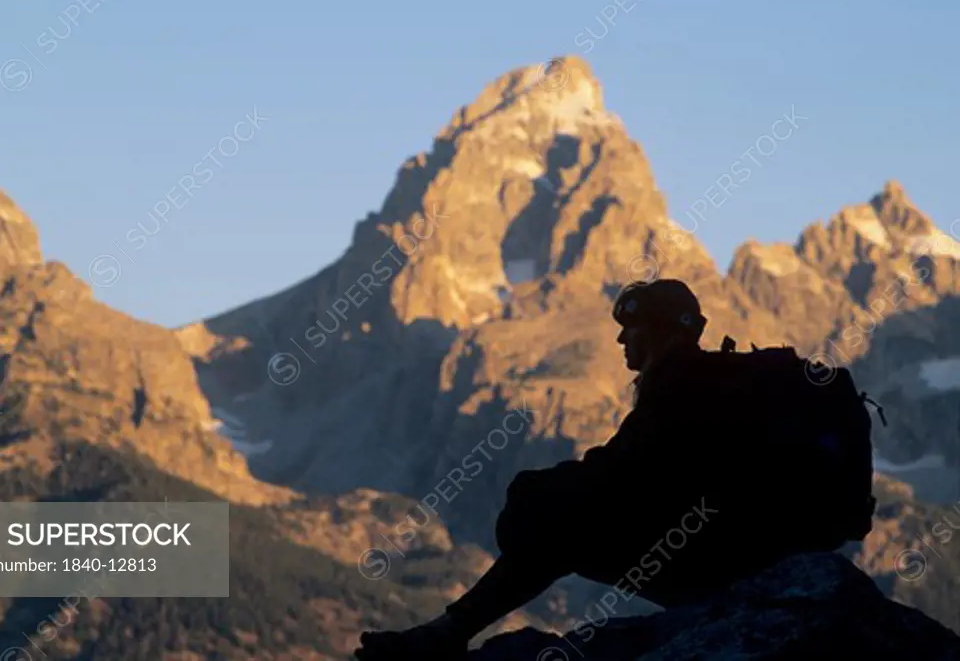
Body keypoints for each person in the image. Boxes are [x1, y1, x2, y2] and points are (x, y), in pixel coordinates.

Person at [354, 278, 835, 661]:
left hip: (721, 565)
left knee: (560, 533)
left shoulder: (680, 383)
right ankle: (448, 631)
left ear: (663, 331)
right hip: (739, 554)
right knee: (561, 525)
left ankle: (447, 633)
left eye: (634, 326)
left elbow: (620, 476)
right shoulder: (707, 381)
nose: (622, 337)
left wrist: (532, 490)